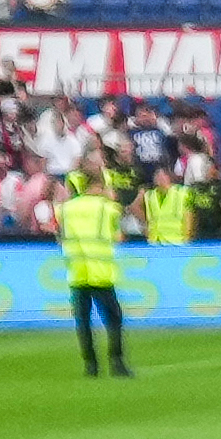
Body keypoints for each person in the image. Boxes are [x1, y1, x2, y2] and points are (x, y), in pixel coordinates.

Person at [58, 161, 134, 377]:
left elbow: (61, 235)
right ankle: (117, 363)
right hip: (101, 271)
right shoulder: (107, 208)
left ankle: (91, 366)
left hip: (77, 271)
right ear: (100, 185)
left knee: (83, 321)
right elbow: (118, 237)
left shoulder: (67, 209)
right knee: (114, 318)